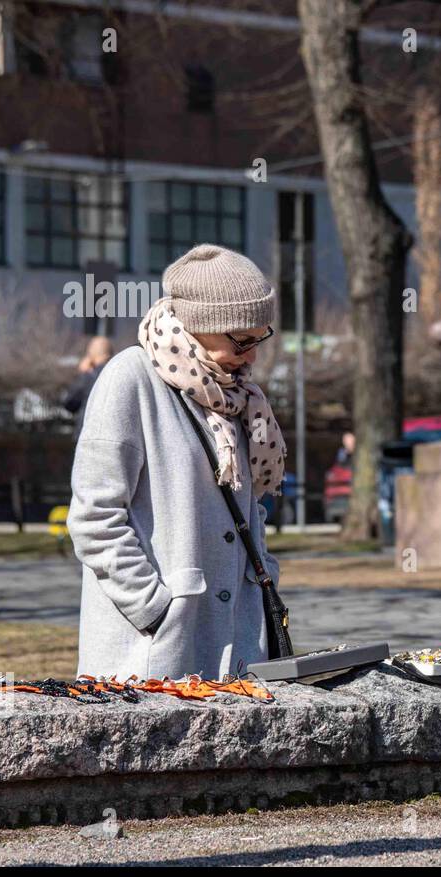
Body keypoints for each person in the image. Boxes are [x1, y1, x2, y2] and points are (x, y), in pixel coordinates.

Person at [67, 244, 284, 679]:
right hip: (152, 651)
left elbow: (245, 504)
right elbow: (95, 517)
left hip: (238, 645)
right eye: (241, 339)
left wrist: (264, 581)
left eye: (261, 336)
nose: (252, 355)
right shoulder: (130, 378)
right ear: (200, 325)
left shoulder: (234, 395)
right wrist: (154, 610)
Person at [61, 335, 114, 437]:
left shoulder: (88, 376)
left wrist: (82, 374)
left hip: (87, 437)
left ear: (91, 355)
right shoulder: (119, 372)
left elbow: (69, 403)